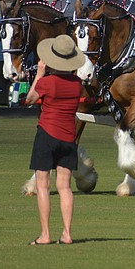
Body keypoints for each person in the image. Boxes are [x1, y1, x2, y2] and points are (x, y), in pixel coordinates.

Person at [25, 34, 86, 246]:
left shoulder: (48, 82)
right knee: (65, 187)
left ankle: (45, 234)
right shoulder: (77, 83)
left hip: (47, 135)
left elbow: (30, 99)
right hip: (69, 138)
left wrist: (40, 73)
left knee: (43, 186)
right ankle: (67, 233)